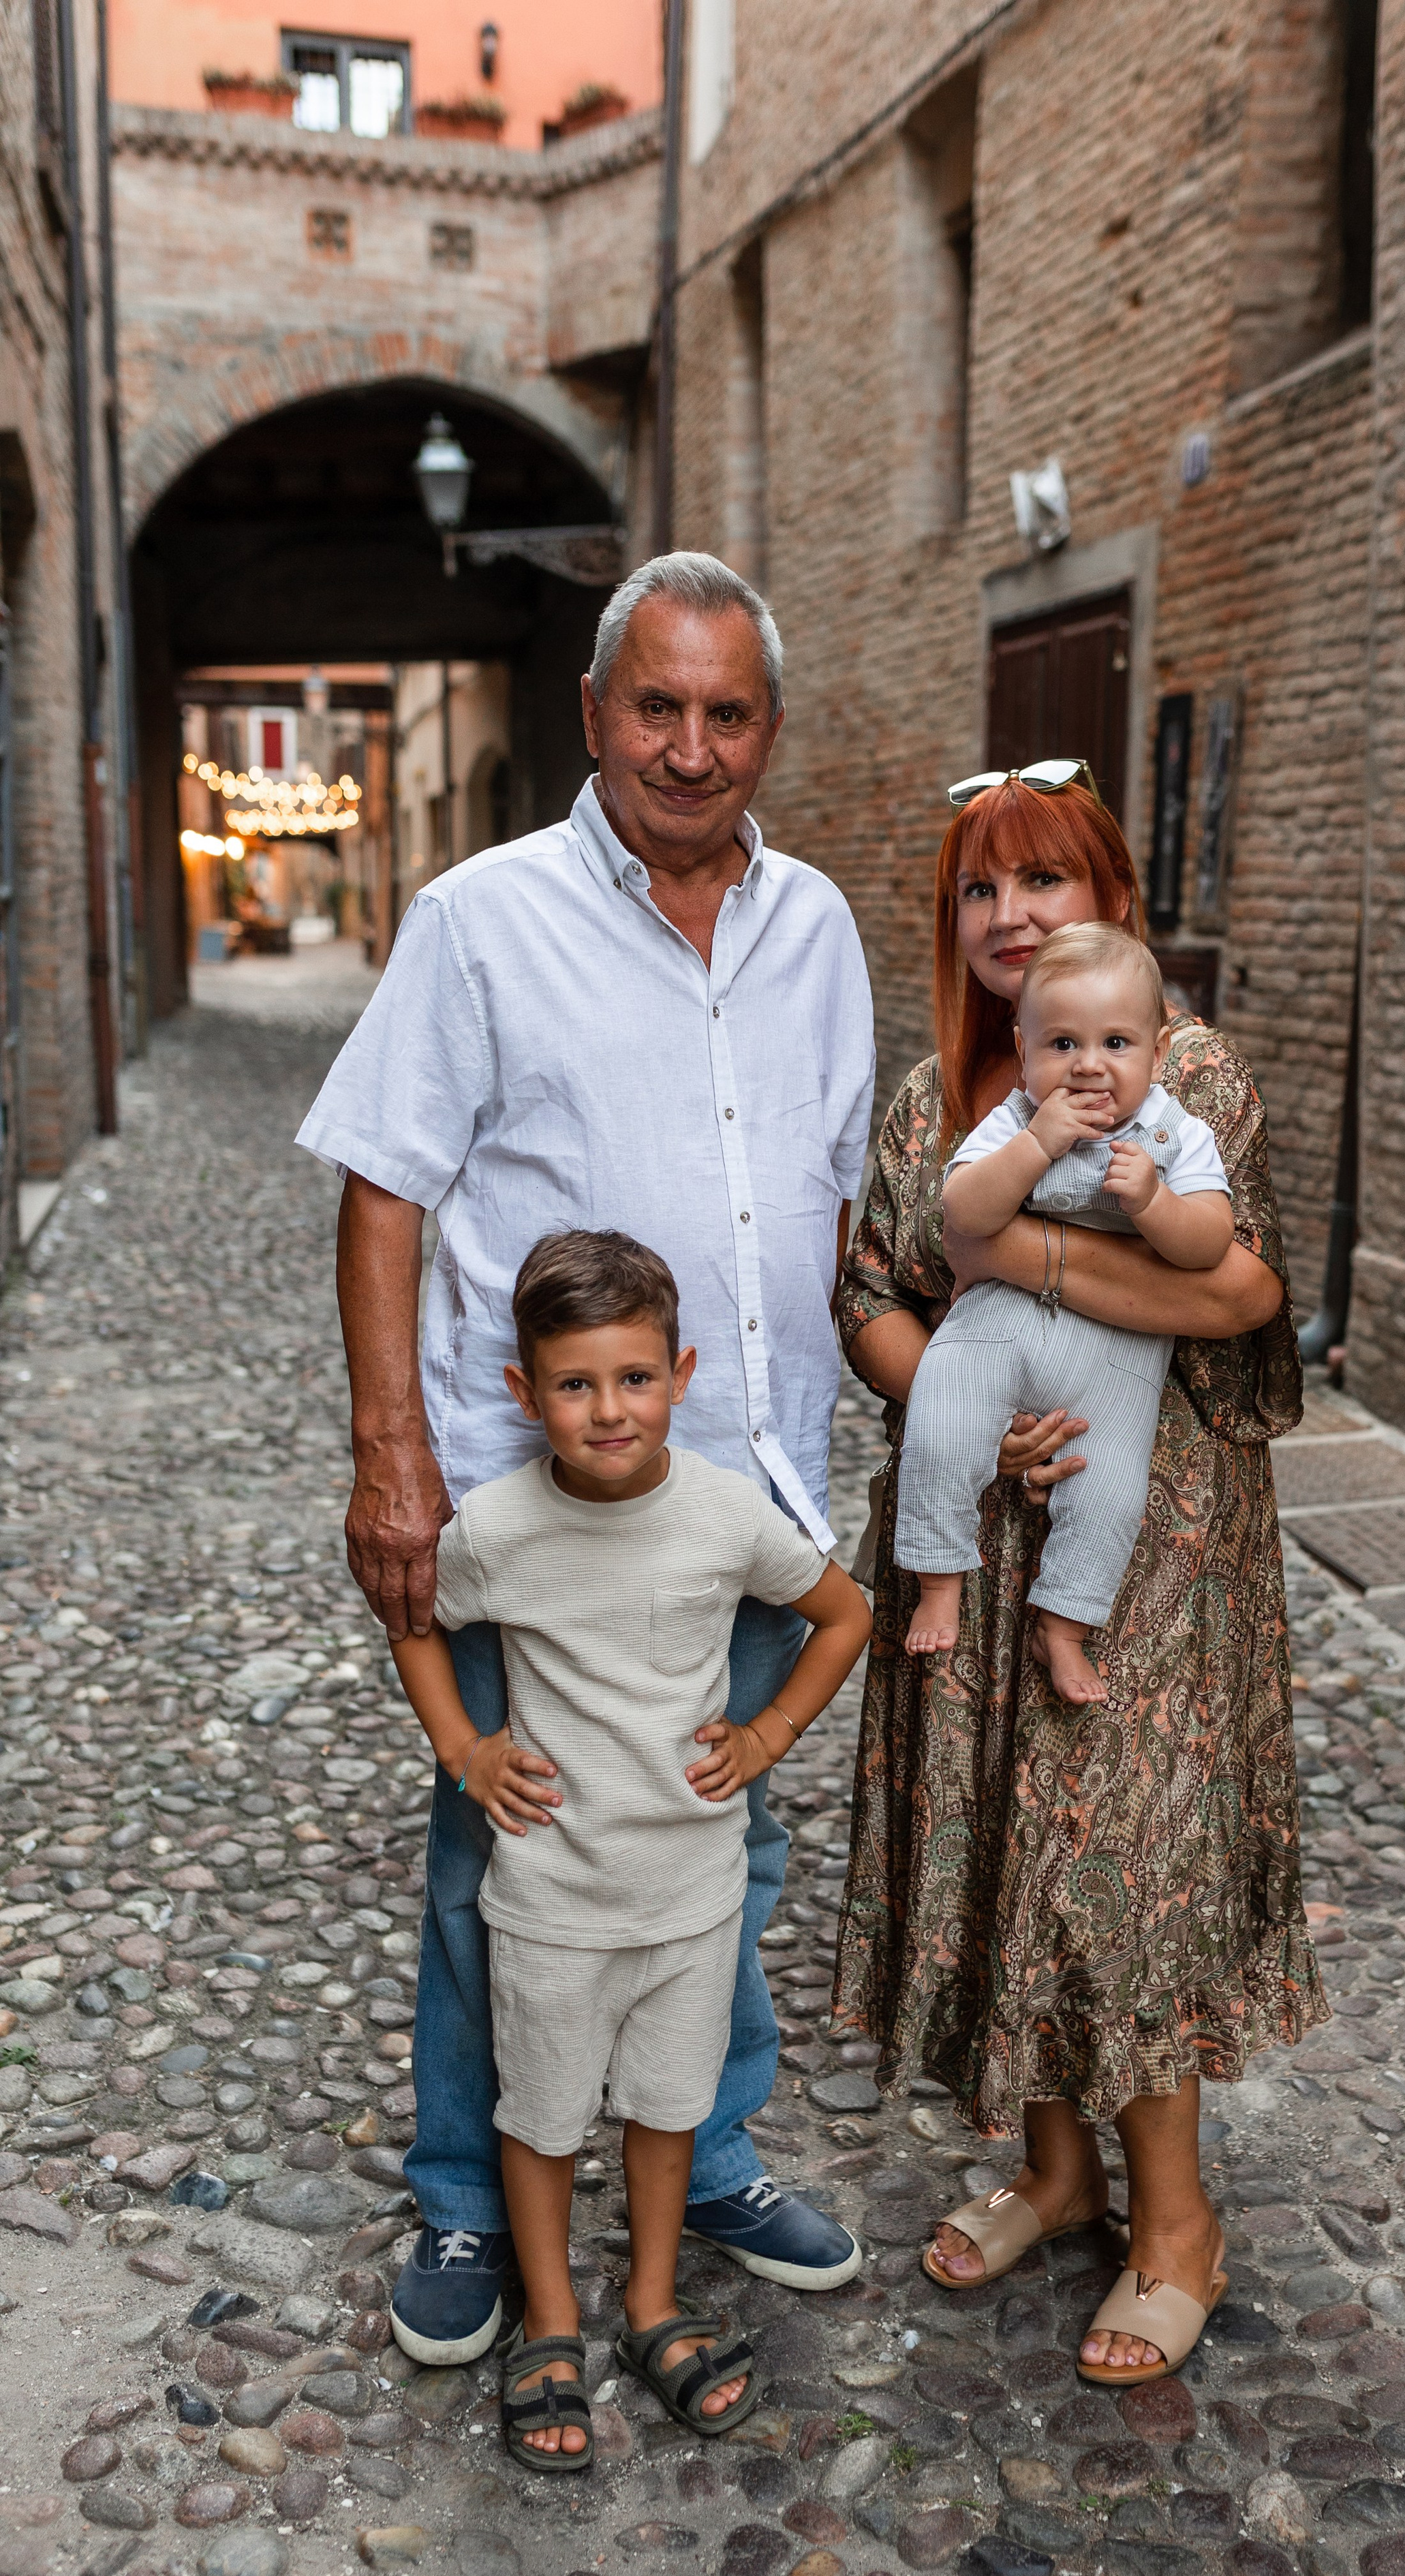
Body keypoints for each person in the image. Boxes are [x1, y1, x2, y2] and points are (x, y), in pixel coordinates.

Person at [298, 550, 876, 2367]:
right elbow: (385, 1186)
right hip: (533, 1500)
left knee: (729, 1838)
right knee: (505, 1859)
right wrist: (394, 1458)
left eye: (726, 713)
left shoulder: (822, 931)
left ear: (769, 727)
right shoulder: (485, 917)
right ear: (595, 713)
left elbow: (827, 1205)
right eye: (658, 705)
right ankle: (470, 2195)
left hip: (741, 1499)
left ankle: (698, 2151)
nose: (690, 749)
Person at [835, 762, 1328, 2385]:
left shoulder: (1175, 1070)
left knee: (1120, 1853)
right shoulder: (931, 1098)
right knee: (1000, 1839)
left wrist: (1029, 1256)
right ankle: (1055, 2171)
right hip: (977, 1519)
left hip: (1150, 1531)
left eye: (1042, 882)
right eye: (979, 891)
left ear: (1104, 895)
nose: (1010, 917)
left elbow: (1236, 1291)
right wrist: (953, 1408)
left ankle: (1173, 2218)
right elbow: (868, 1292)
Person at [390, 1230, 871, 2466]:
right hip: (550, 1899)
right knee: (541, 2115)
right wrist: (467, 1749)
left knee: (669, 2108)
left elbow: (843, 1611)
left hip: (693, 1898)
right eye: (575, 1384)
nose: (609, 1410)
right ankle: (551, 2316)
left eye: (635, 1378)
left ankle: (653, 2302)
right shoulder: (498, 1529)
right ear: (524, 1392)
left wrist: (768, 1733)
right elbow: (418, 1622)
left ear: (684, 1371)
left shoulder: (724, 1515)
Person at [897, 920, 1232, 1702]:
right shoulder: (1016, 1120)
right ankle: (939, 1576)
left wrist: (1152, 1201)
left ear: (1156, 1052)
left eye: (1116, 1043)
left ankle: (1065, 1627)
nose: (1088, 1066)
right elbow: (965, 1213)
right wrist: (1036, 1147)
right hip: (997, 1325)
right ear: (1024, 1049)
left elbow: (1209, 1244)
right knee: (940, 1422)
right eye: (1061, 1045)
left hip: (1115, 1357)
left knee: (1110, 1494)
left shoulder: (1177, 1135)